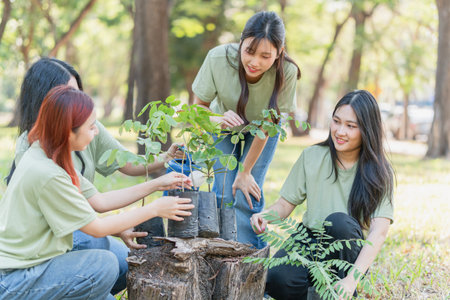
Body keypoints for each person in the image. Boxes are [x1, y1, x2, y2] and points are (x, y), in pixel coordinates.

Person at [5, 57, 185, 294]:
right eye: (91, 126)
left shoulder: (50, 152)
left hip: (43, 256)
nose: (97, 131)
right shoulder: (47, 170)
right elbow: (97, 228)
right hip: (16, 277)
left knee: (119, 263)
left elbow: (99, 201)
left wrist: (159, 182)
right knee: (103, 263)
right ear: (66, 126)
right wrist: (154, 209)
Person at [250, 90, 394, 299]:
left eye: (351, 126)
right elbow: (285, 205)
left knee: (338, 222)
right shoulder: (312, 156)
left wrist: (351, 279)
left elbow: (378, 232)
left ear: (367, 130)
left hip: (345, 245)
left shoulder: (379, 172)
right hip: (308, 240)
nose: (340, 131)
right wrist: (265, 216)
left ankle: (337, 292)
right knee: (278, 280)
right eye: (336, 121)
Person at [192, 11, 301, 248]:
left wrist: (245, 170)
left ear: (279, 52)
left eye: (265, 56)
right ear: (241, 42)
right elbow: (197, 108)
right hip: (222, 124)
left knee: (246, 194)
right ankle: (222, 253)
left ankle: (252, 261)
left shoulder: (288, 72)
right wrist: (216, 118)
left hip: (263, 128)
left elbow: (269, 124)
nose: (255, 62)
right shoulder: (218, 58)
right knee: (222, 192)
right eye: (249, 51)